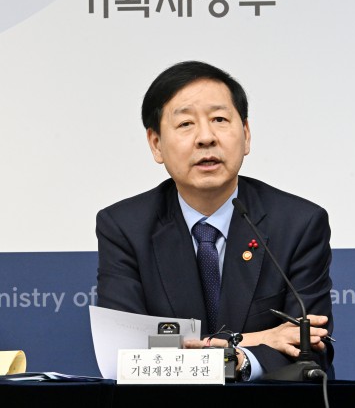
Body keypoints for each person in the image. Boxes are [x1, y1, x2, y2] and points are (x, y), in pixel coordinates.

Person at [96, 60, 334, 381]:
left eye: (219, 119)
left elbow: (310, 348)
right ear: (156, 144)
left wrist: (238, 360)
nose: (206, 137)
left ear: (246, 135)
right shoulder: (124, 227)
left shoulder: (298, 224)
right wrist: (249, 342)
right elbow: (127, 354)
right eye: (185, 124)